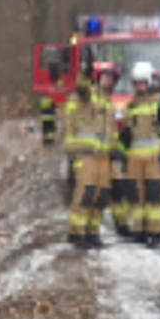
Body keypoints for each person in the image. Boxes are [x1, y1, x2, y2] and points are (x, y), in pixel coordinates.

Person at [119, 62, 160, 246]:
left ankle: (155, 232)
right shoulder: (132, 106)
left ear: (151, 82)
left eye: (142, 83)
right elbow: (127, 134)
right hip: (135, 160)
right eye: (136, 83)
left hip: (155, 158)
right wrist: (123, 154)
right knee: (136, 197)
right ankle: (139, 230)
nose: (139, 87)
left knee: (155, 196)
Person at [63, 63, 119, 248]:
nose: (108, 80)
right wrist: (85, 72)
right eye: (105, 76)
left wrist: (115, 147)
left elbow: (110, 130)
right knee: (85, 193)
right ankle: (76, 233)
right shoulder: (86, 95)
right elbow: (82, 87)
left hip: (103, 156)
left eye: (111, 77)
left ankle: (92, 232)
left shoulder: (107, 101)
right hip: (84, 153)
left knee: (101, 195)